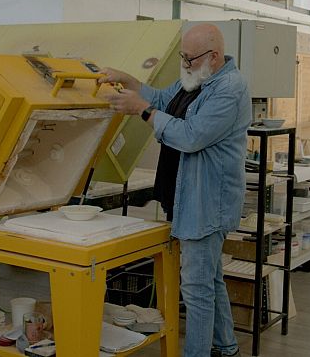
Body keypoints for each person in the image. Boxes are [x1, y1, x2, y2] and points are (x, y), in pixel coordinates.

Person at [101, 22, 251, 357]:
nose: (184, 64)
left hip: (206, 202)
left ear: (213, 57)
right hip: (189, 197)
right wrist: (129, 81)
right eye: (182, 57)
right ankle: (226, 348)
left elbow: (191, 135)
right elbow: (161, 98)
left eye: (190, 58)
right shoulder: (196, 79)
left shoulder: (229, 88)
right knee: (209, 280)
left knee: (196, 290)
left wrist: (142, 110)